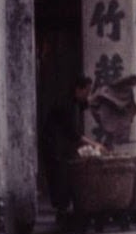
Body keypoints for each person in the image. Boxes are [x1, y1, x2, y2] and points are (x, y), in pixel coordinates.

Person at [41, 75, 99, 223]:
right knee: (60, 180)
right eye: (87, 90)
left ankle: (64, 211)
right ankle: (62, 213)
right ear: (78, 89)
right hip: (54, 147)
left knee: (64, 179)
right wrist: (95, 145)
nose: (88, 94)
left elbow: (86, 104)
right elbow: (73, 134)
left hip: (61, 146)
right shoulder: (67, 105)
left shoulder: (74, 102)